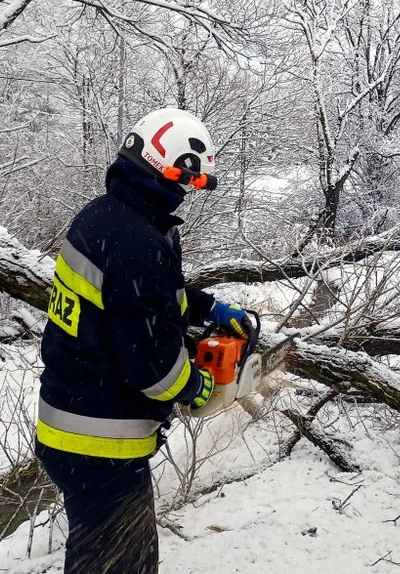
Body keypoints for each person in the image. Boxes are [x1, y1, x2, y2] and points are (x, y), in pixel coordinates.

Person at [35, 107, 252, 573]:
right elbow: (150, 367)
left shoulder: (105, 217)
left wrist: (207, 307)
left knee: (101, 558)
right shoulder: (136, 238)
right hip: (101, 442)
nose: (186, 194)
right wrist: (195, 386)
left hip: (69, 423)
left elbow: (137, 300)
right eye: (189, 182)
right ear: (170, 167)